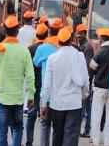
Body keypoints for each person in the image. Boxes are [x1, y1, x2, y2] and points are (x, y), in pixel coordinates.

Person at [0, 15, 35, 146]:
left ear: (4, 30)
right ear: (17, 31)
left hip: (2, 98)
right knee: (18, 128)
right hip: (18, 99)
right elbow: (30, 76)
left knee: (2, 131)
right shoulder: (24, 51)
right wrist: (30, 96)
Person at [41, 27, 89, 146]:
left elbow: (47, 85)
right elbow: (85, 81)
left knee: (57, 134)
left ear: (59, 41)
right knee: (71, 136)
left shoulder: (52, 58)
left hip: (57, 103)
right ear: (71, 39)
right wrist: (83, 96)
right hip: (74, 103)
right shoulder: (80, 56)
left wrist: (43, 104)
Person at [33, 18, 63, 146]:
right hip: (60, 95)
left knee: (44, 124)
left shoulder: (42, 48)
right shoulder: (66, 48)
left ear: (49, 31)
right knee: (57, 127)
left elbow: (36, 63)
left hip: (45, 93)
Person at [89, 28, 109, 146]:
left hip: (99, 88)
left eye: (99, 37)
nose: (98, 39)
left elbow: (92, 68)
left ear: (103, 38)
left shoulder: (100, 52)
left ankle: (95, 141)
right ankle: (107, 142)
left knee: (96, 115)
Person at [25, 23, 48, 146]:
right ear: (46, 34)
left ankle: (29, 142)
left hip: (33, 85)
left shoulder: (31, 49)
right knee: (45, 118)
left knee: (31, 116)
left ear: (37, 34)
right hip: (45, 86)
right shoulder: (48, 48)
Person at [76, 24, 94, 137]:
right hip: (81, 80)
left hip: (85, 81)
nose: (79, 35)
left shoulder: (87, 47)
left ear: (85, 34)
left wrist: (85, 82)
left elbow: (88, 67)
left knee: (85, 108)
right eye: (78, 33)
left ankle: (86, 130)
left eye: (81, 33)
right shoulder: (81, 46)